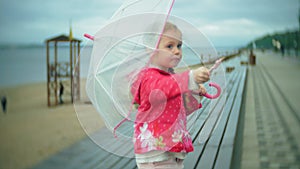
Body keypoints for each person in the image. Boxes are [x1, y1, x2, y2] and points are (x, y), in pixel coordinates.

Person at [131, 22, 210, 169]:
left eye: (179, 46)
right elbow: (161, 88)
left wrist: (194, 93)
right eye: (169, 46)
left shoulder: (170, 78)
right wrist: (191, 77)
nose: (177, 51)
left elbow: (181, 110)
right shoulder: (148, 77)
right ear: (151, 49)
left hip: (170, 150)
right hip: (155, 153)